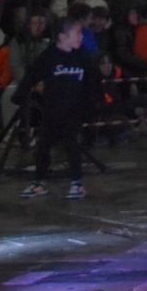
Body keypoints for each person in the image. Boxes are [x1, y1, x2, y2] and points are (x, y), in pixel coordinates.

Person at [17, 16, 100, 200]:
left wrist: (92, 105)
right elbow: (32, 74)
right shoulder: (49, 56)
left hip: (74, 110)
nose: (80, 37)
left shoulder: (84, 56)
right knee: (44, 145)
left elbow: (92, 82)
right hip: (52, 109)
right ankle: (38, 182)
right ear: (62, 36)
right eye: (77, 33)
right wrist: (20, 95)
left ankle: (77, 183)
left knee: (72, 144)